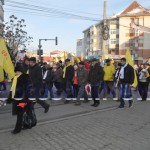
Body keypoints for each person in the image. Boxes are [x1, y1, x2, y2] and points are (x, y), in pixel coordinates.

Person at [8, 65, 33, 134]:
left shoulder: (25, 78)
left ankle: (17, 129)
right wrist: (10, 98)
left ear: (22, 71)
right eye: (16, 71)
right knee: (22, 113)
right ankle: (27, 124)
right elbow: (12, 89)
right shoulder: (15, 78)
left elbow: (29, 89)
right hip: (16, 99)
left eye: (18, 71)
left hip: (22, 99)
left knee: (20, 114)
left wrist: (26, 99)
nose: (17, 73)